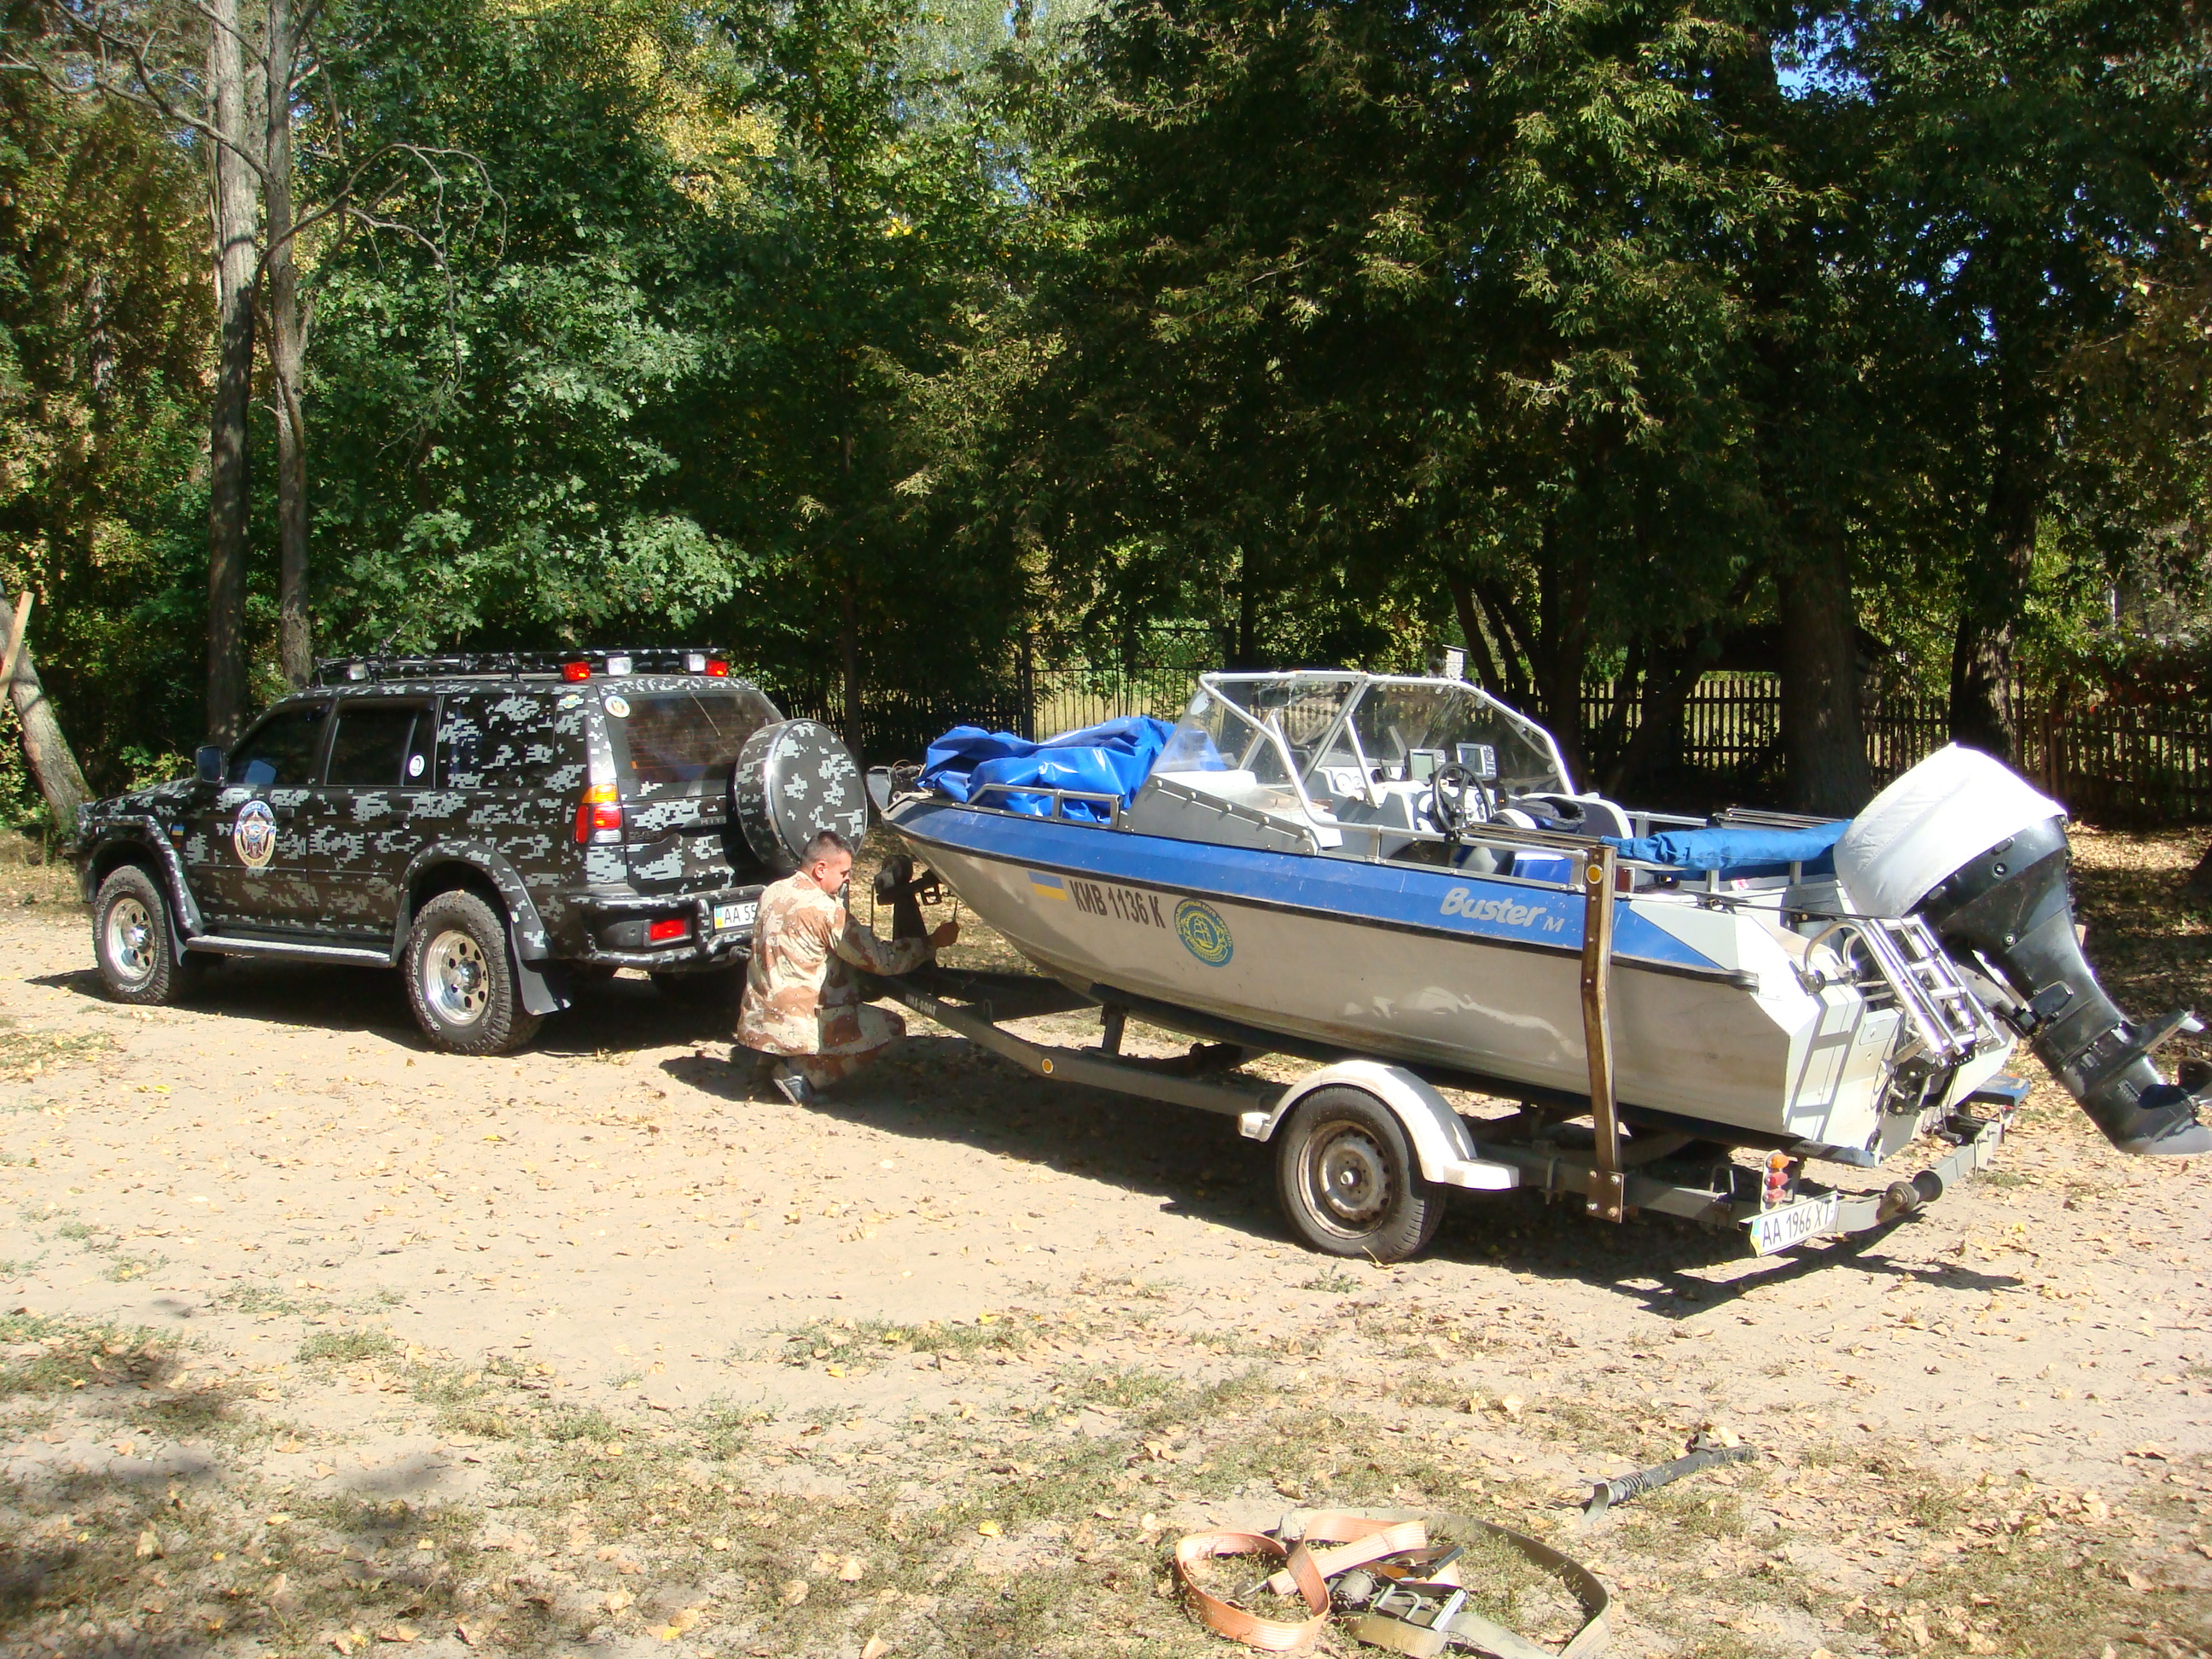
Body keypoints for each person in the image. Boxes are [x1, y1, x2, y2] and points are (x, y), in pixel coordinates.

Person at [735, 828, 957, 1104]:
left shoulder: (772, 892)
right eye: (843, 873)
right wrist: (932, 942)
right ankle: (804, 1076)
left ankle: (770, 1063)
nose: (848, 878)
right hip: (798, 1023)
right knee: (891, 1027)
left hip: (759, 1019)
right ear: (820, 869)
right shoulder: (825, 910)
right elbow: (882, 960)